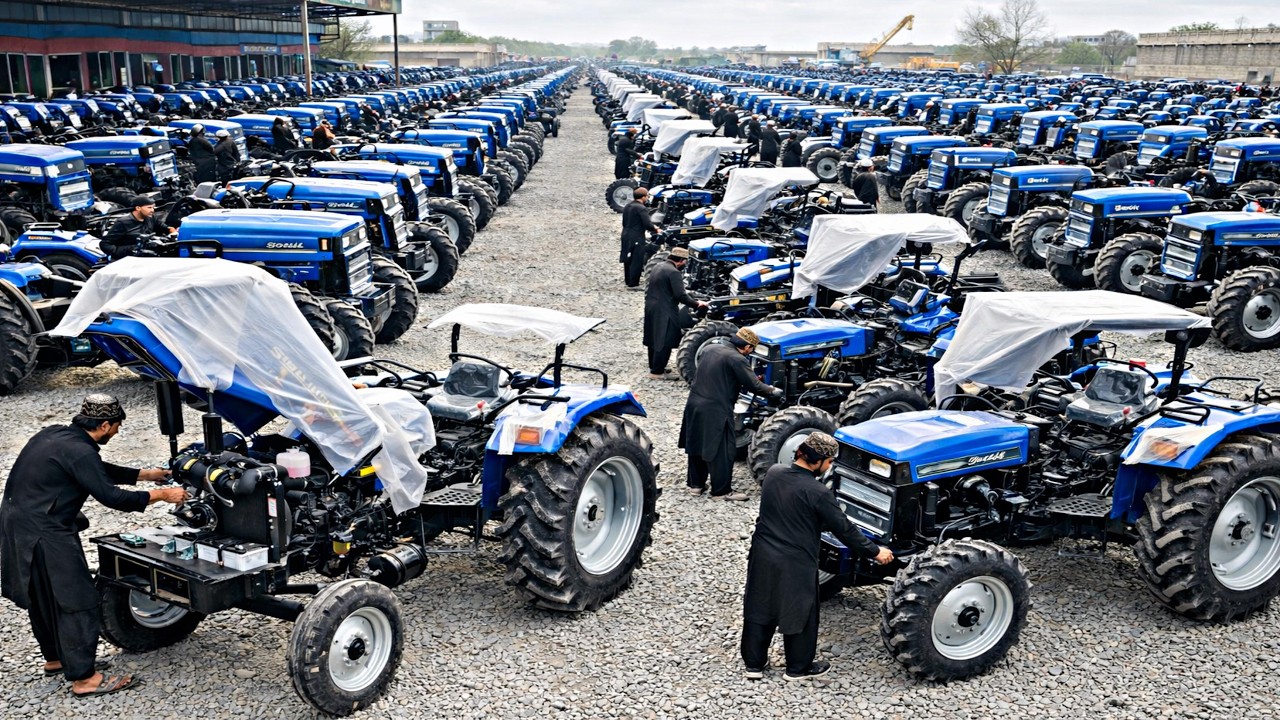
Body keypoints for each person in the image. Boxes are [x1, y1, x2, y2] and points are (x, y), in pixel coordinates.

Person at [0, 395, 187, 697]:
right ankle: (85, 679)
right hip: (46, 531)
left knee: (43, 594)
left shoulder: (55, 435)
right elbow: (112, 497)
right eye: (117, 426)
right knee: (78, 599)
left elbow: (93, 468)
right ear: (104, 425)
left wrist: (143, 475)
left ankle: (57, 659)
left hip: (16, 524)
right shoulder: (81, 452)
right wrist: (162, 495)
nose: (117, 432)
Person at [740, 432, 894, 681]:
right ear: (818, 461)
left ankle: (754, 664)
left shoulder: (774, 474)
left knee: (760, 603)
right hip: (796, 559)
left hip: (763, 552)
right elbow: (845, 530)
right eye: (829, 461)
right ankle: (797, 668)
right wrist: (876, 552)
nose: (830, 466)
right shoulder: (818, 492)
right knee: (800, 609)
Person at [679, 327, 783, 501]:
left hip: (695, 403)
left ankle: (696, 486)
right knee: (722, 449)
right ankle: (721, 492)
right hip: (716, 408)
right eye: (751, 349)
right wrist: (773, 391)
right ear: (747, 347)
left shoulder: (710, 348)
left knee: (697, 443)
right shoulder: (737, 359)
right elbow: (754, 385)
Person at [644, 247, 706, 379]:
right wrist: (697, 304)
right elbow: (680, 295)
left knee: (654, 337)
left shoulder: (658, 266)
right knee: (665, 340)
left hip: (652, 307)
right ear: (681, 260)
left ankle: (654, 366)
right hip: (666, 309)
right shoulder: (674, 272)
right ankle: (657, 372)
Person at [101, 195, 174, 260]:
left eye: (153, 207)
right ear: (138, 208)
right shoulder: (123, 223)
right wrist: (131, 250)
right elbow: (105, 244)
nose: (152, 210)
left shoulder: (151, 218)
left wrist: (172, 231)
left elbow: (165, 227)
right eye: (149, 207)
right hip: (129, 259)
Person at [620, 186, 658, 288]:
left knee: (628, 257)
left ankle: (628, 280)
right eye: (647, 196)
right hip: (636, 236)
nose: (647, 198)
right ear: (643, 197)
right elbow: (648, 224)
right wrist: (656, 229)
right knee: (636, 259)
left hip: (625, 233)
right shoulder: (641, 208)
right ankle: (633, 283)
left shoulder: (628, 206)